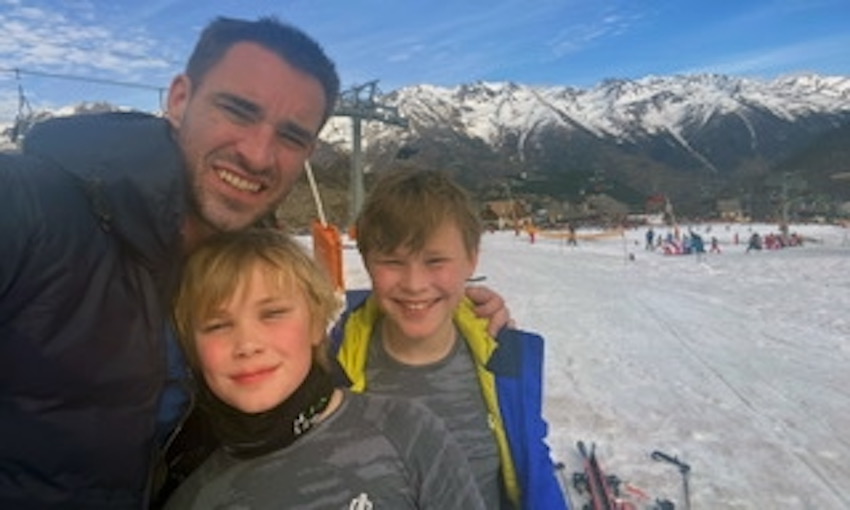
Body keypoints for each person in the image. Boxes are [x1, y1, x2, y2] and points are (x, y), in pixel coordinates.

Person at [0, 16, 508, 509]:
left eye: (291, 136)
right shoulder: (35, 210)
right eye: (238, 110)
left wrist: (451, 303)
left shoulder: (241, 265)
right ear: (179, 100)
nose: (259, 155)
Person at [165, 228, 486, 509]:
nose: (247, 345)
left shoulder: (407, 432)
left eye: (272, 313)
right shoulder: (196, 497)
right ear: (193, 349)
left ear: (317, 323)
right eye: (218, 325)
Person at [332, 169, 567, 509]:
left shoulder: (501, 361)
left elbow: (532, 462)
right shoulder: (334, 363)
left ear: (472, 259)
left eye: (435, 261)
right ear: (368, 263)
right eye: (392, 262)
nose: (414, 284)